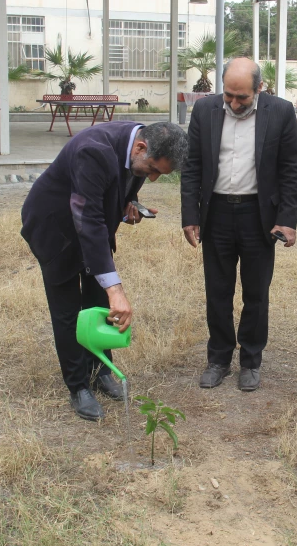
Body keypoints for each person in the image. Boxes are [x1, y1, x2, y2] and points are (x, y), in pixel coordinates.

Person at [21, 121, 188, 421]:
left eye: (158, 174)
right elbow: (90, 219)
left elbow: (113, 190)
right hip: (55, 228)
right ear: (141, 147)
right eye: (152, 169)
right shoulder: (93, 151)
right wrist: (117, 290)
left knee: (98, 304)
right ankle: (78, 386)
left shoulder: (135, 146)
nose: (151, 178)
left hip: (88, 226)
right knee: (68, 311)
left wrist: (128, 204)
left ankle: (100, 371)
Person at [181, 57, 297, 392]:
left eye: (242, 98)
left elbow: (291, 168)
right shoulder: (205, 110)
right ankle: (218, 358)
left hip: (258, 216)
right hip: (216, 213)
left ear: (259, 89)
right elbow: (192, 165)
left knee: (256, 292)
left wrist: (287, 219)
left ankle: (250, 360)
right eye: (229, 96)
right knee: (217, 290)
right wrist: (190, 215)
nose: (234, 103)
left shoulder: (280, 112)